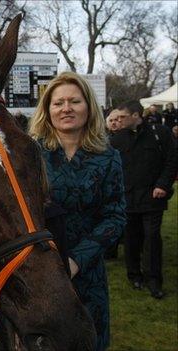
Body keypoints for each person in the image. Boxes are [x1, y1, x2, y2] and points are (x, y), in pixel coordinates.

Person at [29, 71, 126, 351]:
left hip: (87, 272)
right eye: (58, 103)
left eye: (75, 101)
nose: (66, 108)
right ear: (47, 110)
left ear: (89, 107)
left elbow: (115, 216)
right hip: (38, 268)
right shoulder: (32, 154)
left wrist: (77, 259)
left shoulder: (108, 158)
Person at [111, 101, 177, 299]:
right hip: (127, 198)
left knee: (152, 237)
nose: (118, 121)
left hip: (153, 197)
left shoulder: (160, 133)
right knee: (131, 238)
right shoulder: (117, 139)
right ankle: (134, 275)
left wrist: (163, 185)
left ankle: (154, 279)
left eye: (122, 117)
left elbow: (172, 160)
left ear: (136, 115)